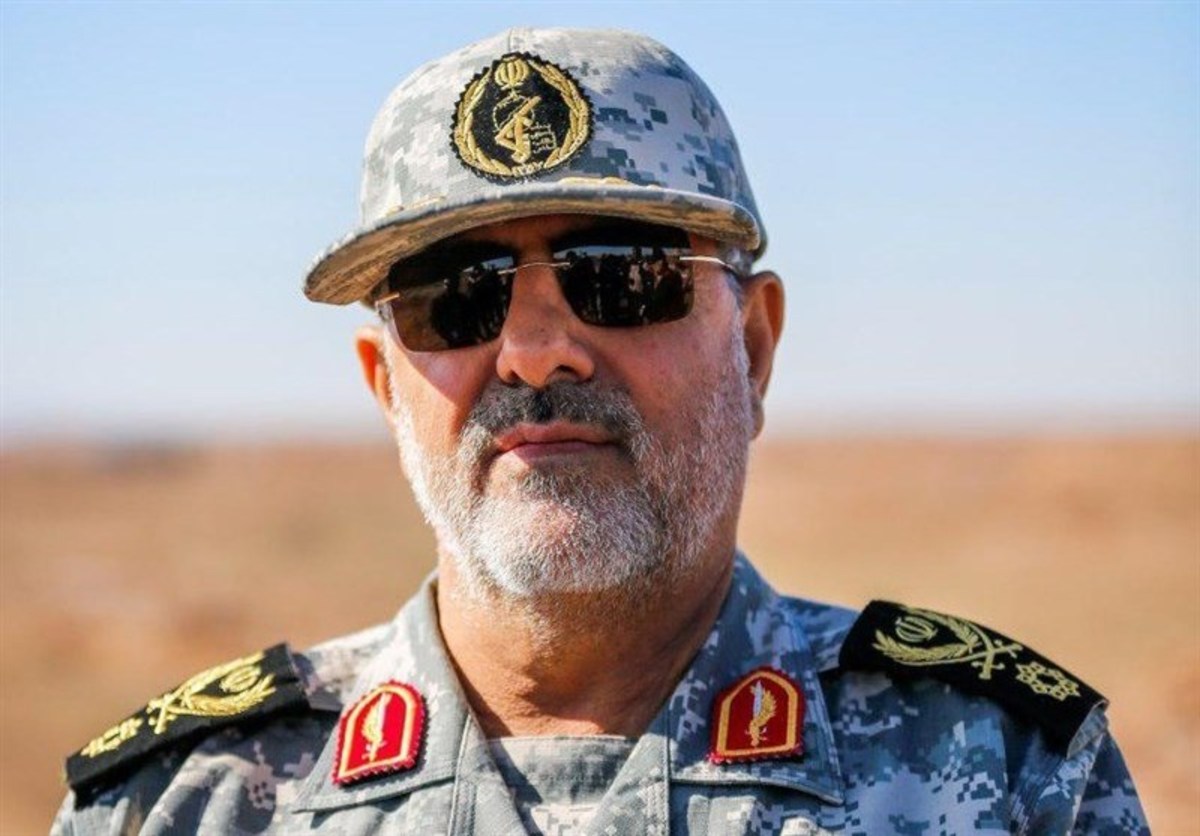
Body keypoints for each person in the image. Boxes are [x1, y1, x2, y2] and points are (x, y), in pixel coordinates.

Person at [53, 27, 1148, 835]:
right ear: (386, 386)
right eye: (455, 297)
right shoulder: (181, 806)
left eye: (622, 275)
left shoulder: (1010, 778)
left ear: (754, 348)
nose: (535, 351)